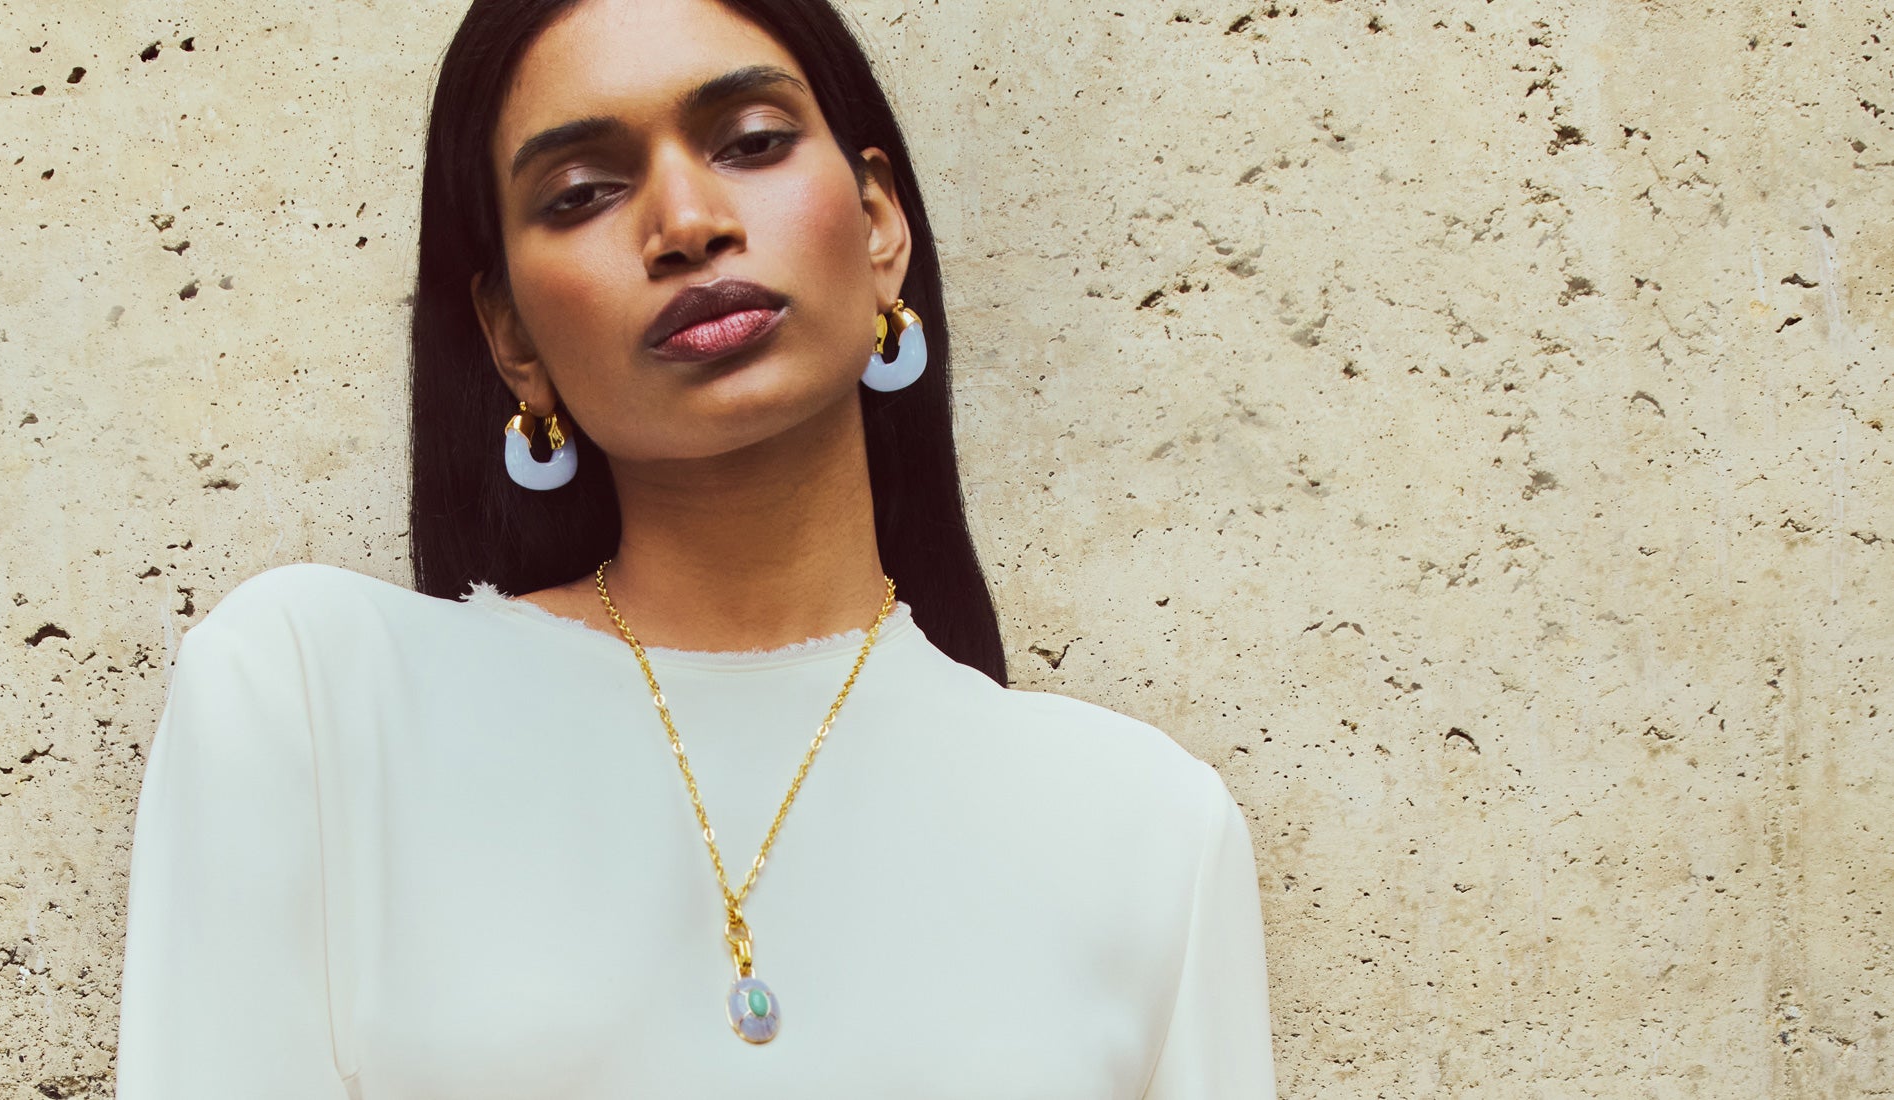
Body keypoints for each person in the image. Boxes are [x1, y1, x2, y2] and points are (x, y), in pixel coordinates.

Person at [112, 0, 1275, 1095]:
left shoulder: (1146, 834)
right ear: (512, 336)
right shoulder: (319, 699)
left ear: (878, 227)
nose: (686, 223)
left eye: (752, 140)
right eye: (579, 193)